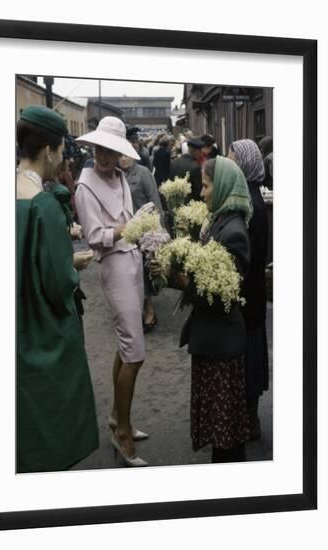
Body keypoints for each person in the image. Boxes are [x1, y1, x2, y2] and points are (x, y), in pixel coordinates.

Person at [16, 105, 98, 473]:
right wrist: (73, 265)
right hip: (40, 327)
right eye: (62, 149)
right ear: (48, 150)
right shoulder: (43, 206)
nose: (63, 157)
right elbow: (57, 282)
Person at [155, 156, 252, 463]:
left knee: (227, 437)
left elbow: (225, 292)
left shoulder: (233, 231)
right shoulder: (219, 220)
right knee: (222, 430)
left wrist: (182, 280)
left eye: (207, 186)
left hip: (221, 342)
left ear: (222, 186)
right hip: (214, 340)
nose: (202, 193)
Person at [75, 116, 152, 467]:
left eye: (111, 149)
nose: (104, 156)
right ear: (92, 147)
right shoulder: (84, 186)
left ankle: (119, 419)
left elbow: (131, 224)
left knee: (128, 344)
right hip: (114, 264)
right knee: (135, 352)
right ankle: (120, 431)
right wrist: (126, 228)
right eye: (99, 148)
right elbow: (94, 237)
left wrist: (146, 234)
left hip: (133, 259)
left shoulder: (121, 177)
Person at [229, 139, 270, 439]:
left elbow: (250, 255)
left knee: (252, 356)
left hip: (251, 293)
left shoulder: (252, 203)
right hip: (250, 292)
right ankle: (247, 417)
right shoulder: (248, 196)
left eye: (232, 159)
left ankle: (251, 421)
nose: (229, 163)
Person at [118, 153, 163, 332]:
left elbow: (155, 201)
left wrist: (158, 229)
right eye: (119, 156)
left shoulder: (143, 173)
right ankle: (136, 310)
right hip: (124, 231)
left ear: (133, 157)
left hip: (144, 230)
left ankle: (149, 310)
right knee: (130, 272)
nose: (122, 159)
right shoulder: (117, 175)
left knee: (144, 270)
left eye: (126, 156)